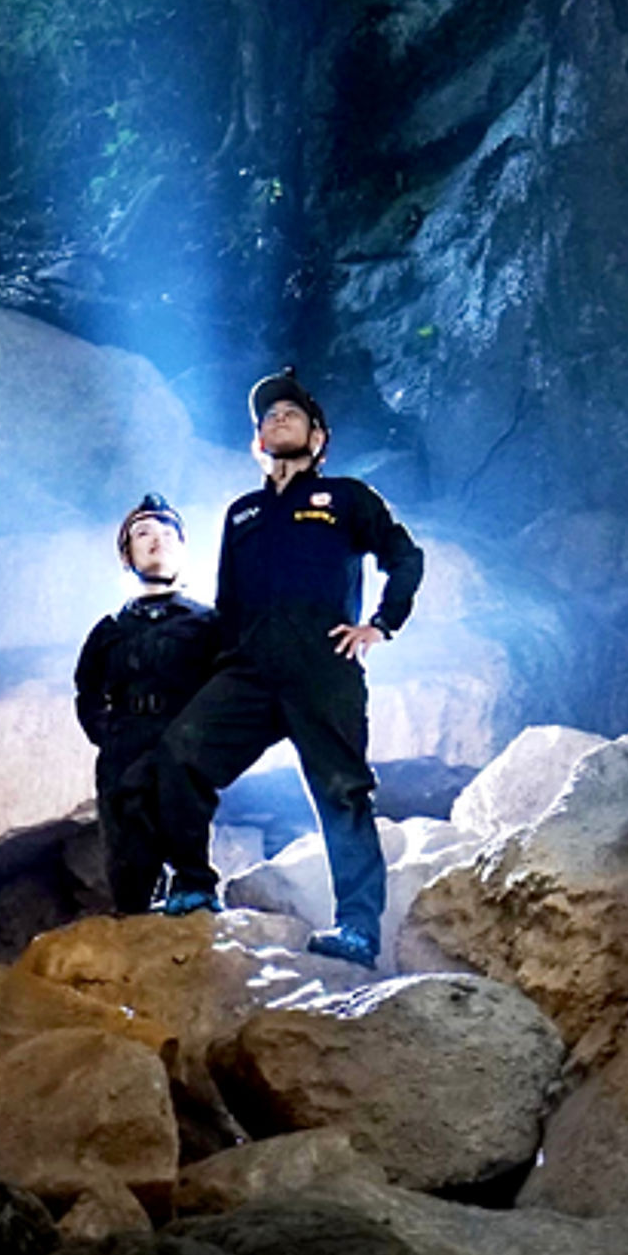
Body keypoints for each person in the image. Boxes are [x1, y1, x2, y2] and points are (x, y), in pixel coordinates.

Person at [149, 367, 428, 960]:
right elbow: (227, 601)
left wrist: (381, 623)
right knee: (180, 754)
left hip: (321, 665)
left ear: (318, 438)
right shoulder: (242, 513)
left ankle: (357, 930)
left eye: (291, 414)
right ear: (257, 442)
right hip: (247, 668)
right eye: (268, 417)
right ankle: (195, 886)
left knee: (342, 793)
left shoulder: (347, 498)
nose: (278, 420)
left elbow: (404, 557)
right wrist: (209, 671)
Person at [70, 492, 224, 917]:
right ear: (127, 554)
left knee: (188, 850)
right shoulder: (111, 630)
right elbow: (87, 691)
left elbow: (230, 687)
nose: (157, 539)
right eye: (143, 532)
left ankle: (196, 902)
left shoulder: (208, 624)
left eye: (167, 531)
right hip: (124, 752)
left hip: (181, 745)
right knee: (127, 871)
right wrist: (108, 735)